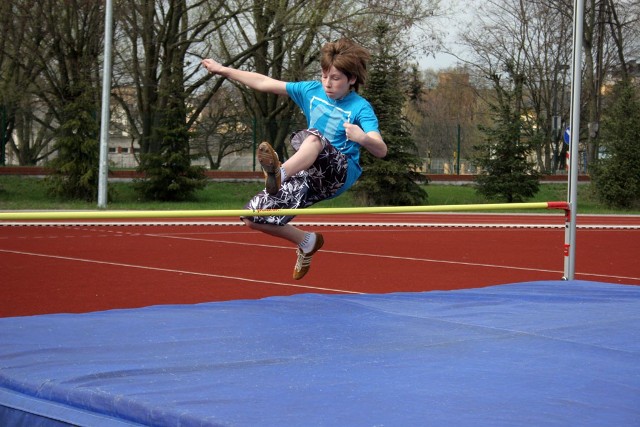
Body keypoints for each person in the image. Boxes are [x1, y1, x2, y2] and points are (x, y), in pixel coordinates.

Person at [201, 38, 387, 280]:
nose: (328, 84)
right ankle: (307, 241)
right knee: (253, 216)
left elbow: (381, 149)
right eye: (324, 76)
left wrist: (363, 138)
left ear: (351, 79)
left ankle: (279, 174)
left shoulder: (360, 108)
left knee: (314, 137)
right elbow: (264, 82)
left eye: (336, 78)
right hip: (308, 174)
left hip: (338, 173)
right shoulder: (311, 91)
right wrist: (224, 70)